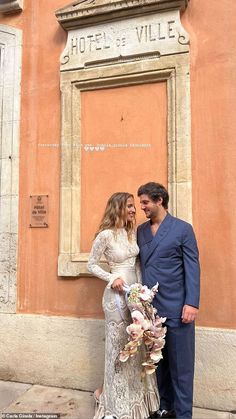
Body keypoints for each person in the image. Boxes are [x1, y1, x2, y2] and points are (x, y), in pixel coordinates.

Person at [87, 192, 159, 419]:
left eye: (133, 207)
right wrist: (111, 278)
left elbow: (137, 264)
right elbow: (91, 265)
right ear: (117, 208)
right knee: (118, 348)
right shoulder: (105, 236)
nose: (133, 210)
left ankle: (135, 400)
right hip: (115, 298)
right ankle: (110, 400)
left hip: (133, 295)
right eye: (128, 206)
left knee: (135, 346)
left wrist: (141, 293)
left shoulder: (131, 233)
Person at [137, 182, 200, 419]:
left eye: (145, 202)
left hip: (178, 307)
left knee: (181, 367)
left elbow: (192, 267)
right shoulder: (141, 231)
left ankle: (184, 414)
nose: (142, 207)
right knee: (158, 363)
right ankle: (166, 408)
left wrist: (192, 303)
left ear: (159, 200)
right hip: (151, 311)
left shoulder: (183, 229)